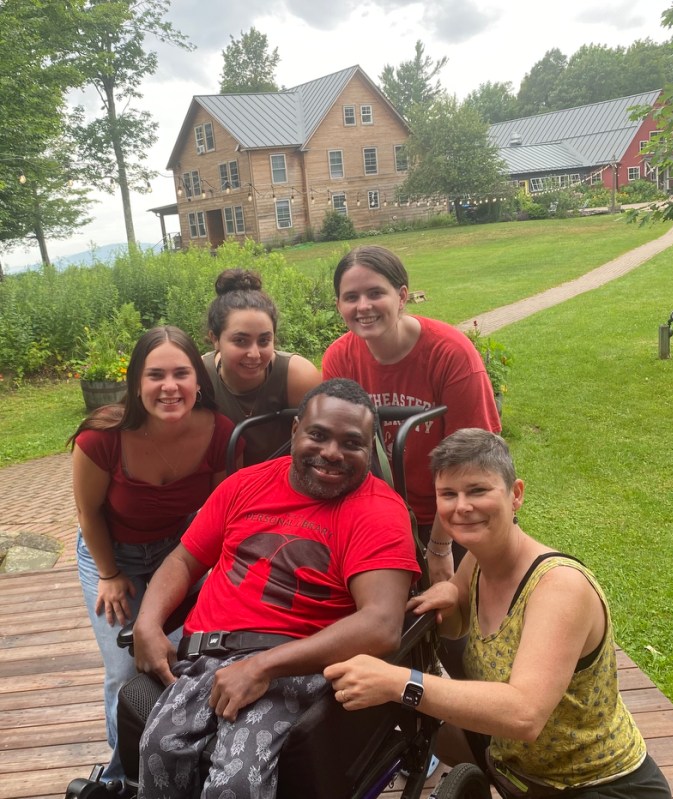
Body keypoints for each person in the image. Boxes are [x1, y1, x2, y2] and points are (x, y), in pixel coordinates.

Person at [324, 429, 672, 799]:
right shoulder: (477, 561)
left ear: (515, 494)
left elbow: (524, 715)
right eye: (449, 494)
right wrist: (448, 595)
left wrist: (399, 683)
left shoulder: (559, 588)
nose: (461, 506)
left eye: (478, 490)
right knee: (436, 734)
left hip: (598, 785)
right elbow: (457, 621)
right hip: (518, 769)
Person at [132, 378, 421, 799]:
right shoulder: (244, 485)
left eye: (352, 443)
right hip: (203, 657)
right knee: (160, 752)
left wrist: (262, 667)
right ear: (295, 431)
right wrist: (148, 622)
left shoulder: (377, 512)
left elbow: (381, 624)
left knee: (234, 786)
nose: (331, 454)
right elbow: (182, 559)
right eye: (318, 435)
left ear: (369, 448)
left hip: (293, 667)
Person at [69, 325, 242, 788]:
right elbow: (88, 514)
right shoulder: (100, 439)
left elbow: (220, 513)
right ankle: (121, 776)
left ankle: (174, 754)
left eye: (181, 373)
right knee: (124, 668)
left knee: (185, 650)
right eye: (155, 375)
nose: (170, 387)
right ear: (136, 384)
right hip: (111, 554)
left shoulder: (220, 432)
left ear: (199, 380)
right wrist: (108, 573)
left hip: (176, 550)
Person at [322, 245, 501, 584]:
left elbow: (474, 457)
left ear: (402, 296)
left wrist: (438, 546)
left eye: (376, 293)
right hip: (382, 516)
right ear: (339, 305)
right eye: (351, 297)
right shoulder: (339, 360)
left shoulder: (450, 354)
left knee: (463, 615)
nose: (363, 306)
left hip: (458, 511)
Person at [203, 268, 322, 465]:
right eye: (240, 341)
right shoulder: (199, 377)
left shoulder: (297, 376)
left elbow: (323, 442)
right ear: (215, 339)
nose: (254, 354)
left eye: (264, 340)